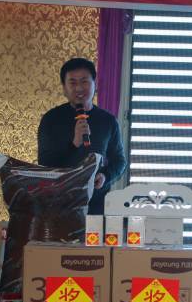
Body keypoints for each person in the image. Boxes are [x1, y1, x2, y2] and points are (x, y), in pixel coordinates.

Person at [37, 57, 127, 214]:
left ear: (94, 84)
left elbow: (119, 161)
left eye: (84, 81)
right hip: (59, 205)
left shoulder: (108, 121)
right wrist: (73, 144)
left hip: (96, 206)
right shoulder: (51, 119)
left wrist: (105, 176)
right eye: (72, 83)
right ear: (64, 88)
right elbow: (45, 162)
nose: (79, 88)